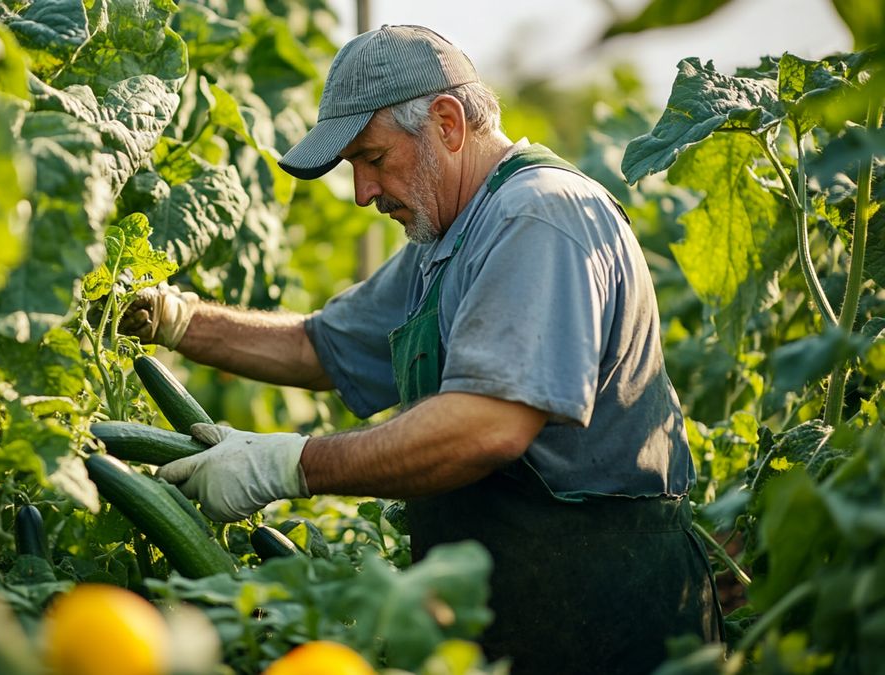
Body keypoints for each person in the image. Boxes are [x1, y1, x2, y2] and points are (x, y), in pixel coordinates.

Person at [123, 24, 723, 674]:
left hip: (608, 633)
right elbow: (320, 348)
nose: (361, 192)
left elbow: (488, 426)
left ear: (447, 122)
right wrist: (170, 317)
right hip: (515, 629)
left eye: (373, 158)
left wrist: (286, 465)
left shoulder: (537, 218)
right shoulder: (446, 237)